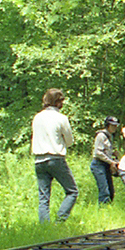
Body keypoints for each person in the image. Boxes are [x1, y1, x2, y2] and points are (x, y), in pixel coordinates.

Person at [32, 89, 78, 223]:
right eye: (61, 101)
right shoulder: (61, 118)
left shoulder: (37, 117)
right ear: (57, 102)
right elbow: (69, 141)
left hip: (39, 160)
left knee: (43, 197)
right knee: (72, 191)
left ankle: (45, 227)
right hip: (55, 158)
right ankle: (60, 221)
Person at [90, 116, 120, 204]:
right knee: (104, 190)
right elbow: (98, 153)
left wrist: (113, 155)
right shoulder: (101, 136)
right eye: (112, 125)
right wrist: (111, 161)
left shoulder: (110, 136)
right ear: (107, 125)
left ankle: (108, 207)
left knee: (111, 191)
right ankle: (103, 209)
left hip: (106, 165)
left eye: (116, 126)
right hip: (98, 165)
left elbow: (105, 151)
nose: (114, 127)